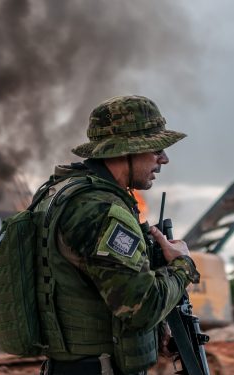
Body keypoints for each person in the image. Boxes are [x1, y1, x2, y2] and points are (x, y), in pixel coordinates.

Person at [35, 95, 200, 375]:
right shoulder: (101, 210)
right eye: (156, 148)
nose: (164, 159)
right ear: (125, 151)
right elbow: (142, 308)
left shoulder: (62, 192)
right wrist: (183, 265)